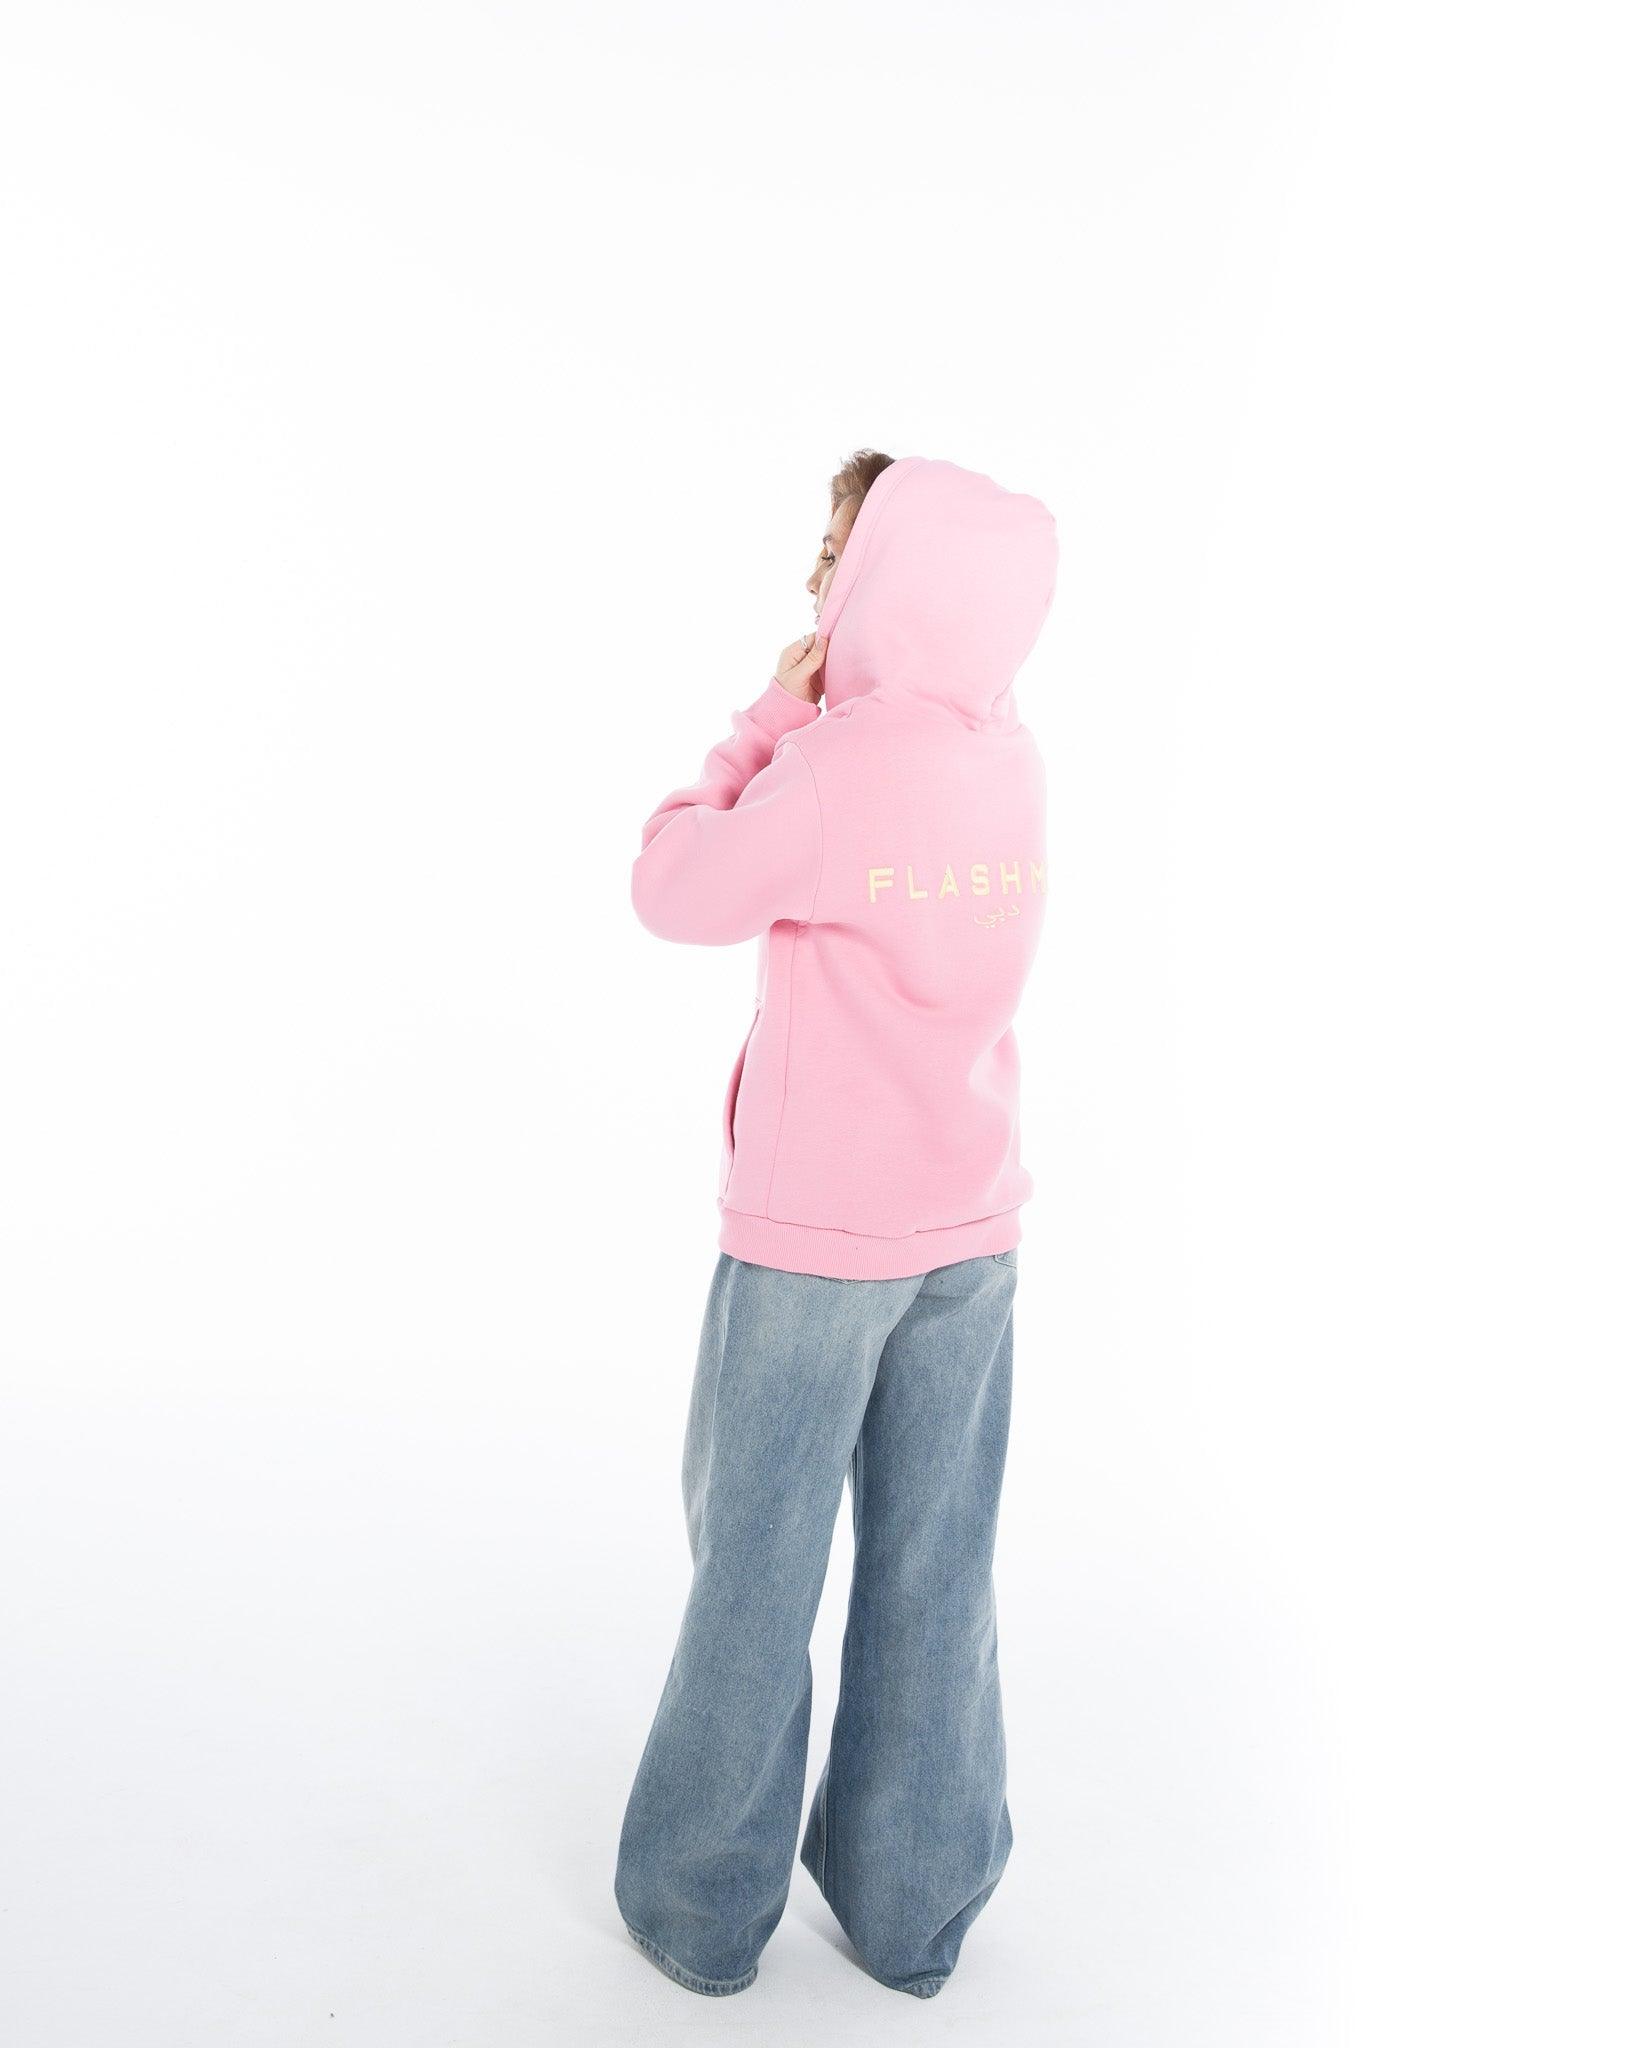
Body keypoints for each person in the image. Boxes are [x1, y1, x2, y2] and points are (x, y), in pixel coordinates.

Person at [613, 450, 1059, 2000]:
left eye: (837, 552)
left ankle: (698, 1906)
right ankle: (912, 1906)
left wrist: (765, 716)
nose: (818, 579)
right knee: (937, 1571)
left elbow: (671, 888)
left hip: (815, 1238)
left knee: (755, 1563)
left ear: (890, 581)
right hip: (971, 1227)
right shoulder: (1010, 757)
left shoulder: (835, 764)